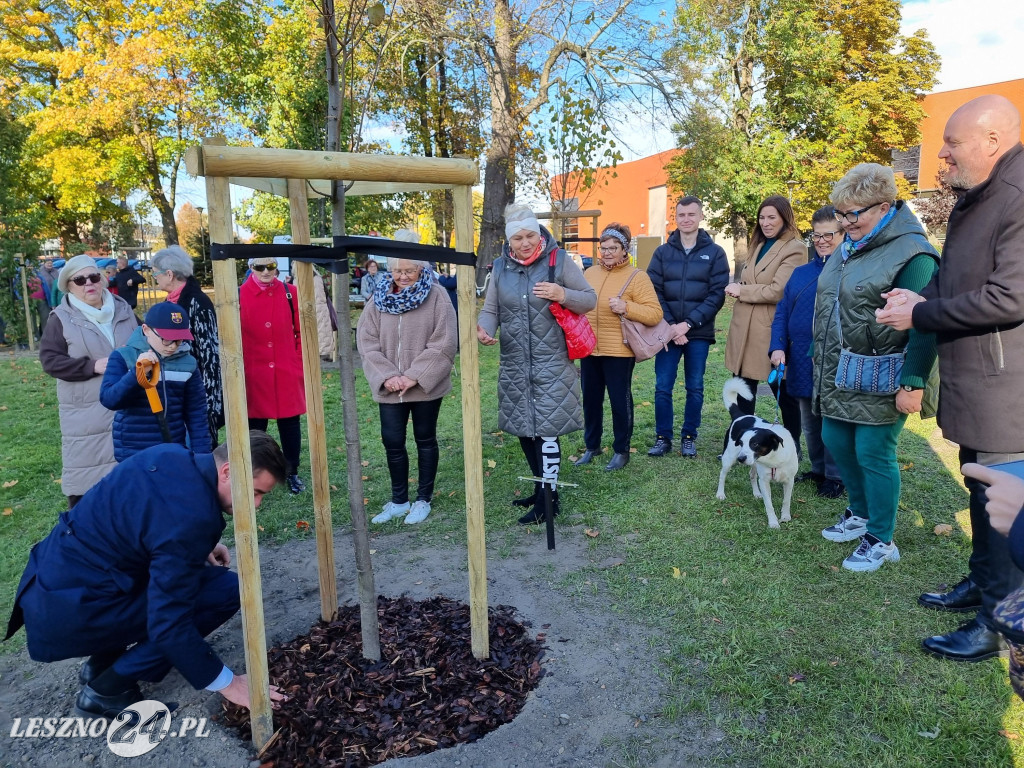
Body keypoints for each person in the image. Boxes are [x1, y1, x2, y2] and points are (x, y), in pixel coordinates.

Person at [876, 95, 1024, 660]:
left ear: (993, 141)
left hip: (1005, 387)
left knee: (1003, 502)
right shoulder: (976, 195)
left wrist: (923, 314)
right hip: (976, 380)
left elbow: (1009, 297)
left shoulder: (1017, 197)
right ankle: (983, 584)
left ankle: (999, 622)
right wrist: (918, 298)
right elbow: (952, 276)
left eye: (953, 143)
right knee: (979, 489)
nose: (942, 154)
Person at [4, 432, 291, 717]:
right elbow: (168, 622)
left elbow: (143, 522)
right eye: (256, 492)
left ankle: (102, 663)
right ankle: (108, 689)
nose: (256, 505)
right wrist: (229, 683)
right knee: (226, 590)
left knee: (194, 574)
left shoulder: (169, 455)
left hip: (52, 588)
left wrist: (197, 548)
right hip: (73, 614)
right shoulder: (191, 520)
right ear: (227, 471)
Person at [810, 163, 938, 572]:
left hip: (886, 370)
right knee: (835, 437)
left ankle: (882, 539)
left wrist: (913, 382)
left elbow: (925, 321)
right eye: (840, 214)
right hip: (840, 368)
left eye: (854, 214)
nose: (845, 223)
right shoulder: (850, 247)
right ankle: (861, 513)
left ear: (884, 207)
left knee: (872, 450)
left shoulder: (913, 253)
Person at [477, 203, 596, 524]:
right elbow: (491, 310)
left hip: (552, 363)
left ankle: (549, 499)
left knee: (546, 431)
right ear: (509, 240)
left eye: (530, 235)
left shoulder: (559, 261)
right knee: (525, 429)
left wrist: (562, 293)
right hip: (515, 364)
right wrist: (485, 329)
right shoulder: (500, 267)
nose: (525, 243)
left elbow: (589, 299)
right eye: (518, 238)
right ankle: (541, 488)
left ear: (539, 233)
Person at [357, 257, 458, 525]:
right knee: (392, 441)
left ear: (421, 270)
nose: (403, 276)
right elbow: (366, 341)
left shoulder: (437, 295)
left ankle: (423, 499)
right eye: (397, 271)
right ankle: (399, 501)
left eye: (409, 271)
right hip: (390, 386)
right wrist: (387, 375)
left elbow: (445, 341)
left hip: (424, 385)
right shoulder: (378, 297)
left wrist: (414, 376)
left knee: (425, 439)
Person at [39, 255, 139, 508]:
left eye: (93, 277)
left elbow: (146, 341)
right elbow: (50, 361)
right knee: (88, 483)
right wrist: (91, 366)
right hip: (86, 414)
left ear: (102, 279)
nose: (89, 284)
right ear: (68, 286)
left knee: (131, 484)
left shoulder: (124, 310)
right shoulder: (60, 318)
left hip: (130, 406)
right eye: (80, 280)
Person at [769, 206, 845, 499]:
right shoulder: (799, 274)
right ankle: (818, 469)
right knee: (810, 420)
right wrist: (777, 347)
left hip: (834, 359)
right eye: (817, 235)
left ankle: (836, 476)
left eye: (829, 235)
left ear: (843, 234)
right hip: (800, 358)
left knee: (832, 421)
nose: (822, 241)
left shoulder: (849, 271)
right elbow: (782, 312)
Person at [646, 196, 729, 458]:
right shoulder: (662, 253)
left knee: (695, 386)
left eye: (691, 214)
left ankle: (689, 437)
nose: (686, 219)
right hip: (667, 332)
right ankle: (663, 437)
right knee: (663, 386)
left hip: (698, 333)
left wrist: (688, 324)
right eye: (681, 215)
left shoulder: (715, 253)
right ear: (676, 217)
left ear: (700, 216)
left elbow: (717, 295)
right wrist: (672, 326)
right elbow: (653, 291)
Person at [576, 223, 663, 471]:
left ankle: (621, 450)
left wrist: (627, 307)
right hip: (590, 348)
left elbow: (655, 314)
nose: (607, 253)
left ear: (624, 250)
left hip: (619, 351)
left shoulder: (637, 277)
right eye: (603, 248)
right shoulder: (590, 273)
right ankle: (592, 446)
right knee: (590, 401)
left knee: (619, 401)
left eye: (613, 248)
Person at [724, 195, 805, 443]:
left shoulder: (795, 248)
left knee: (782, 391)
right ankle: (741, 441)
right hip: (744, 329)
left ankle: (791, 443)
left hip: (769, 330)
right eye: (762, 217)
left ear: (785, 218)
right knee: (743, 389)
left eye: (772, 217)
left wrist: (742, 291)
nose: (766, 222)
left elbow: (779, 290)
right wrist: (741, 287)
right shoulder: (758, 244)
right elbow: (752, 279)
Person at [100, 302, 212, 460]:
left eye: (179, 340)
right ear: (146, 330)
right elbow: (109, 400)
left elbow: (196, 413)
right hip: (133, 450)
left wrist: (202, 457)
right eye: (167, 339)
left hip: (173, 448)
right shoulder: (123, 356)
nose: (173, 346)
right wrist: (137, 374)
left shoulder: (188, 364)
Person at [240, 257, 307, 494]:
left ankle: (292, 471)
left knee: (290, 423)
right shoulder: (238, 295)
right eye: (260, 267)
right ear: (251, 268)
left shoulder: (291, 293)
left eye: (270, 266)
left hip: (285, 368)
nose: (266, 271)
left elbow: (302, 331)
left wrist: (297, 361)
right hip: (254, 371)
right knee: (256, 426)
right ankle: (256, 472)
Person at [151, 245, 224, 444]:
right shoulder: (170, 302)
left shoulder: (198, 302)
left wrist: (209, 403)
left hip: (197, 394)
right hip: (174, 390)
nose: (155, 278)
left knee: (200, 447)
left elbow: (210, 356)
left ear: (169, 274)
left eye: (156, 273)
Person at [33, 258, 58, 336]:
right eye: (48, 263)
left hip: (47, 297)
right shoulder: (40, 272)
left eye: (51, 263)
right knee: (33, 319)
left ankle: (46, 334)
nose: (49, 264)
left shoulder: (56, 272)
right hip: (33, 300)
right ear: (44, 264)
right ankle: (35, 335)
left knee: (45, 316)